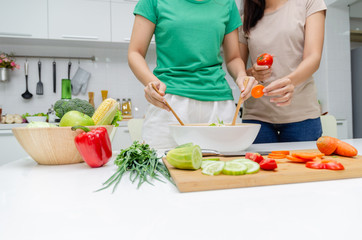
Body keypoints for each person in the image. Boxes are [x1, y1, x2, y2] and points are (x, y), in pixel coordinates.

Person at [128, 0, 256, 149]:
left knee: (224, 168)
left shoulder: (227, 3)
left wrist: (241, 75)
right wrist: (152, 83)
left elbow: (234, 58)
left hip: (219, 104)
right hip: (169, 103)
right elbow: (135, 53)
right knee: (161, 168)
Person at [239, 0, 327, 143]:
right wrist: (253, 73)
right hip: (257, 118)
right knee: (258, 166)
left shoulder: (310, 2)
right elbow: (239, 70)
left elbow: (313, 57)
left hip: (302, 116)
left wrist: (290, 82)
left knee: (302, 166)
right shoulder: (245, 18)